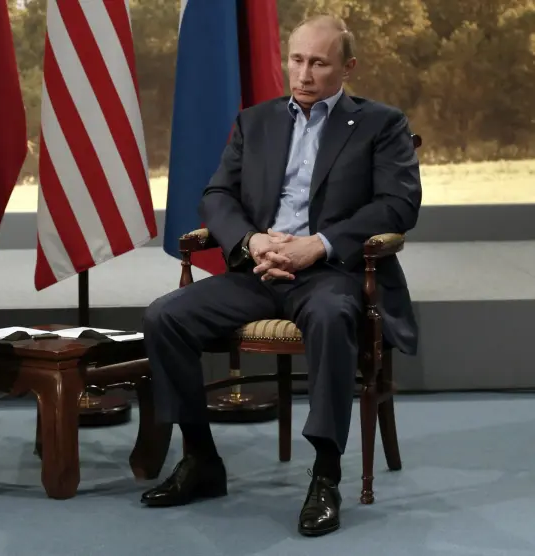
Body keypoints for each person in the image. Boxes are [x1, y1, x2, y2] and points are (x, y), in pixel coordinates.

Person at [140, 14, 421, 537]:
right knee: (164, 317)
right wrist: (253, 242)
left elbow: (398, 206)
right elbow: (217, 195)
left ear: (348, 67)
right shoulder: (257, 121)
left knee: (334, 316)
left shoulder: (381, 124)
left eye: (319, 62)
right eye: (296, 60)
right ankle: (201, 459)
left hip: (331, 273)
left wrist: (318, 244)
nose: (304, 73)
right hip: (259, 270)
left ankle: (326, 474)